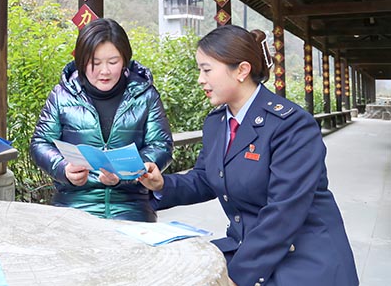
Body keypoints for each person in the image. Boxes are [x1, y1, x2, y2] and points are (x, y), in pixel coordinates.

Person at [139, 25, 359, 286]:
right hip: (249, 248)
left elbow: (284, 213)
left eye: (207, 69)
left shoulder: (291, 125)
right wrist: (162, 184)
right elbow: (206, 178)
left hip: (303, 259)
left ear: (241, 70)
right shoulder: (217, 122)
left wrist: (237, 276)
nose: (200, 79)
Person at [30, 18, 173, 221]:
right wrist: (63, 169)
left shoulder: (145, 95)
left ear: (125, 60)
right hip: (73, 204)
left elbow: (161, 144)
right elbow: (40, 143)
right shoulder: (62, 95)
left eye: (113, 62)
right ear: (80, 61)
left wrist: (125, 174)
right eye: (94, 63)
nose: (104, 71)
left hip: (130, 205)